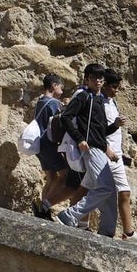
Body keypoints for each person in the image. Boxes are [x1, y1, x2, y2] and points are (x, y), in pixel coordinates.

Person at [54, 64, 121, 237]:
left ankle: (107, 232)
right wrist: (79, 139)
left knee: (110, 191)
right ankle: (69, 215)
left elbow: (101, 131)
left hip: (99, 148)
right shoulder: (84, 97)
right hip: (91, 149)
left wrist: (115, 125)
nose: (98, 81)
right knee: (106, 187)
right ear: (87, 80)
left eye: (100, 78)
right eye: (94, 78)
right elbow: (66, 117)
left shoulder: (99, 100)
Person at [100, 69, 137, 241]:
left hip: (115, 155)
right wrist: (115, 125)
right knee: (114, 193)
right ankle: (124, 233)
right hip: (106, 154)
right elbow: (98, 131)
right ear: (105, 85)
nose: (117, 90)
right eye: (114, 87)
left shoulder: (111, 102)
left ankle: (122, 232)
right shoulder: (98, 103)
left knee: (121, 192)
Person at [32, 74, 69, 218]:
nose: (62, 90)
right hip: (49, 144)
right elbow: (59, 121)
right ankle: (44, 206)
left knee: (51, 177)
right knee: (64, 176)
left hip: (39, 144)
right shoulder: (53, 103)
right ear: (54, 85)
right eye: (61, 86)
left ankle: (43, 210)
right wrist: (65, 107)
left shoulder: (41, 100)